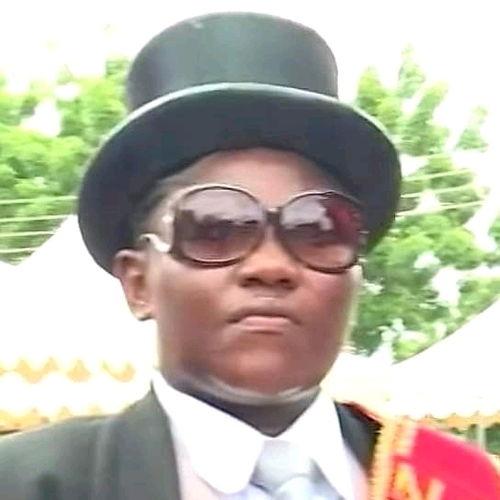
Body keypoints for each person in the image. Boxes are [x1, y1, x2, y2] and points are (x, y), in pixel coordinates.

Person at [0, 12, 498, 500]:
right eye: (215, 228)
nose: (271, 267)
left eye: (318, 228)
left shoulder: (462, 486)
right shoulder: (30, 483)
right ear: (138, 282)